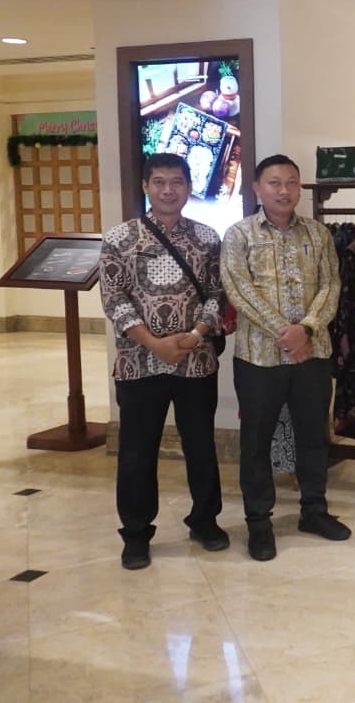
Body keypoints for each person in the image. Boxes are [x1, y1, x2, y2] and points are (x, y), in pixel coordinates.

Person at [99, 153, 227, 570]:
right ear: (146, 186)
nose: (168, 190)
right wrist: (154, 344)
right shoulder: (120, 238)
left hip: (195, 361)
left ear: (189, 187)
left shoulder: (207, 238)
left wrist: (196, 335)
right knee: (137, 452)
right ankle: (136, 533)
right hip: (139, 362)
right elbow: (114, 299)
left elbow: (216, 294)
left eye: (177, 182)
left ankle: (205, 520)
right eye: (159, 182)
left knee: (200, 446)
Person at [221, 154, 350, 561]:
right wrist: (286, 332)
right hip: (259, 358)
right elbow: (238, 290)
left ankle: (314, 510)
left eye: (291, 182)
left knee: (313, 435)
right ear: (257, 188)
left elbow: (331, 285)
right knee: (256, 441)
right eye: (274, 183)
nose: (284, 190)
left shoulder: (318, 233)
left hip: (313, 354)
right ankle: (259, 522)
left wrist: (306, 330)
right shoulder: (239, 235)